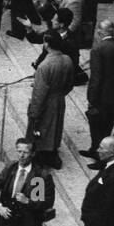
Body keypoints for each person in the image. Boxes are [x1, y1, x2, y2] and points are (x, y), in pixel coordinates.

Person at [83, 20, 114, 157]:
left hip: (101, 97)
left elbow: (96, 77)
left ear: (99, 32)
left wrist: (91, 99)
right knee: (108, 124)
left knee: (96, 126)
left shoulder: (98, 49)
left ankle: (98, 153)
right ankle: (96, 150)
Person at [28, 30, 75, 169]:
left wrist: (34, 112)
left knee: (41, 127)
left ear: (47, 44)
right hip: (59, 98)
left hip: (46, 100)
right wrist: (59, 94)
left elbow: (39, 93)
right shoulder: (67, 59)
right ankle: (52, 152)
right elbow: (70, 84)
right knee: (55, 127)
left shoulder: (44, 65)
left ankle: (42, 156)